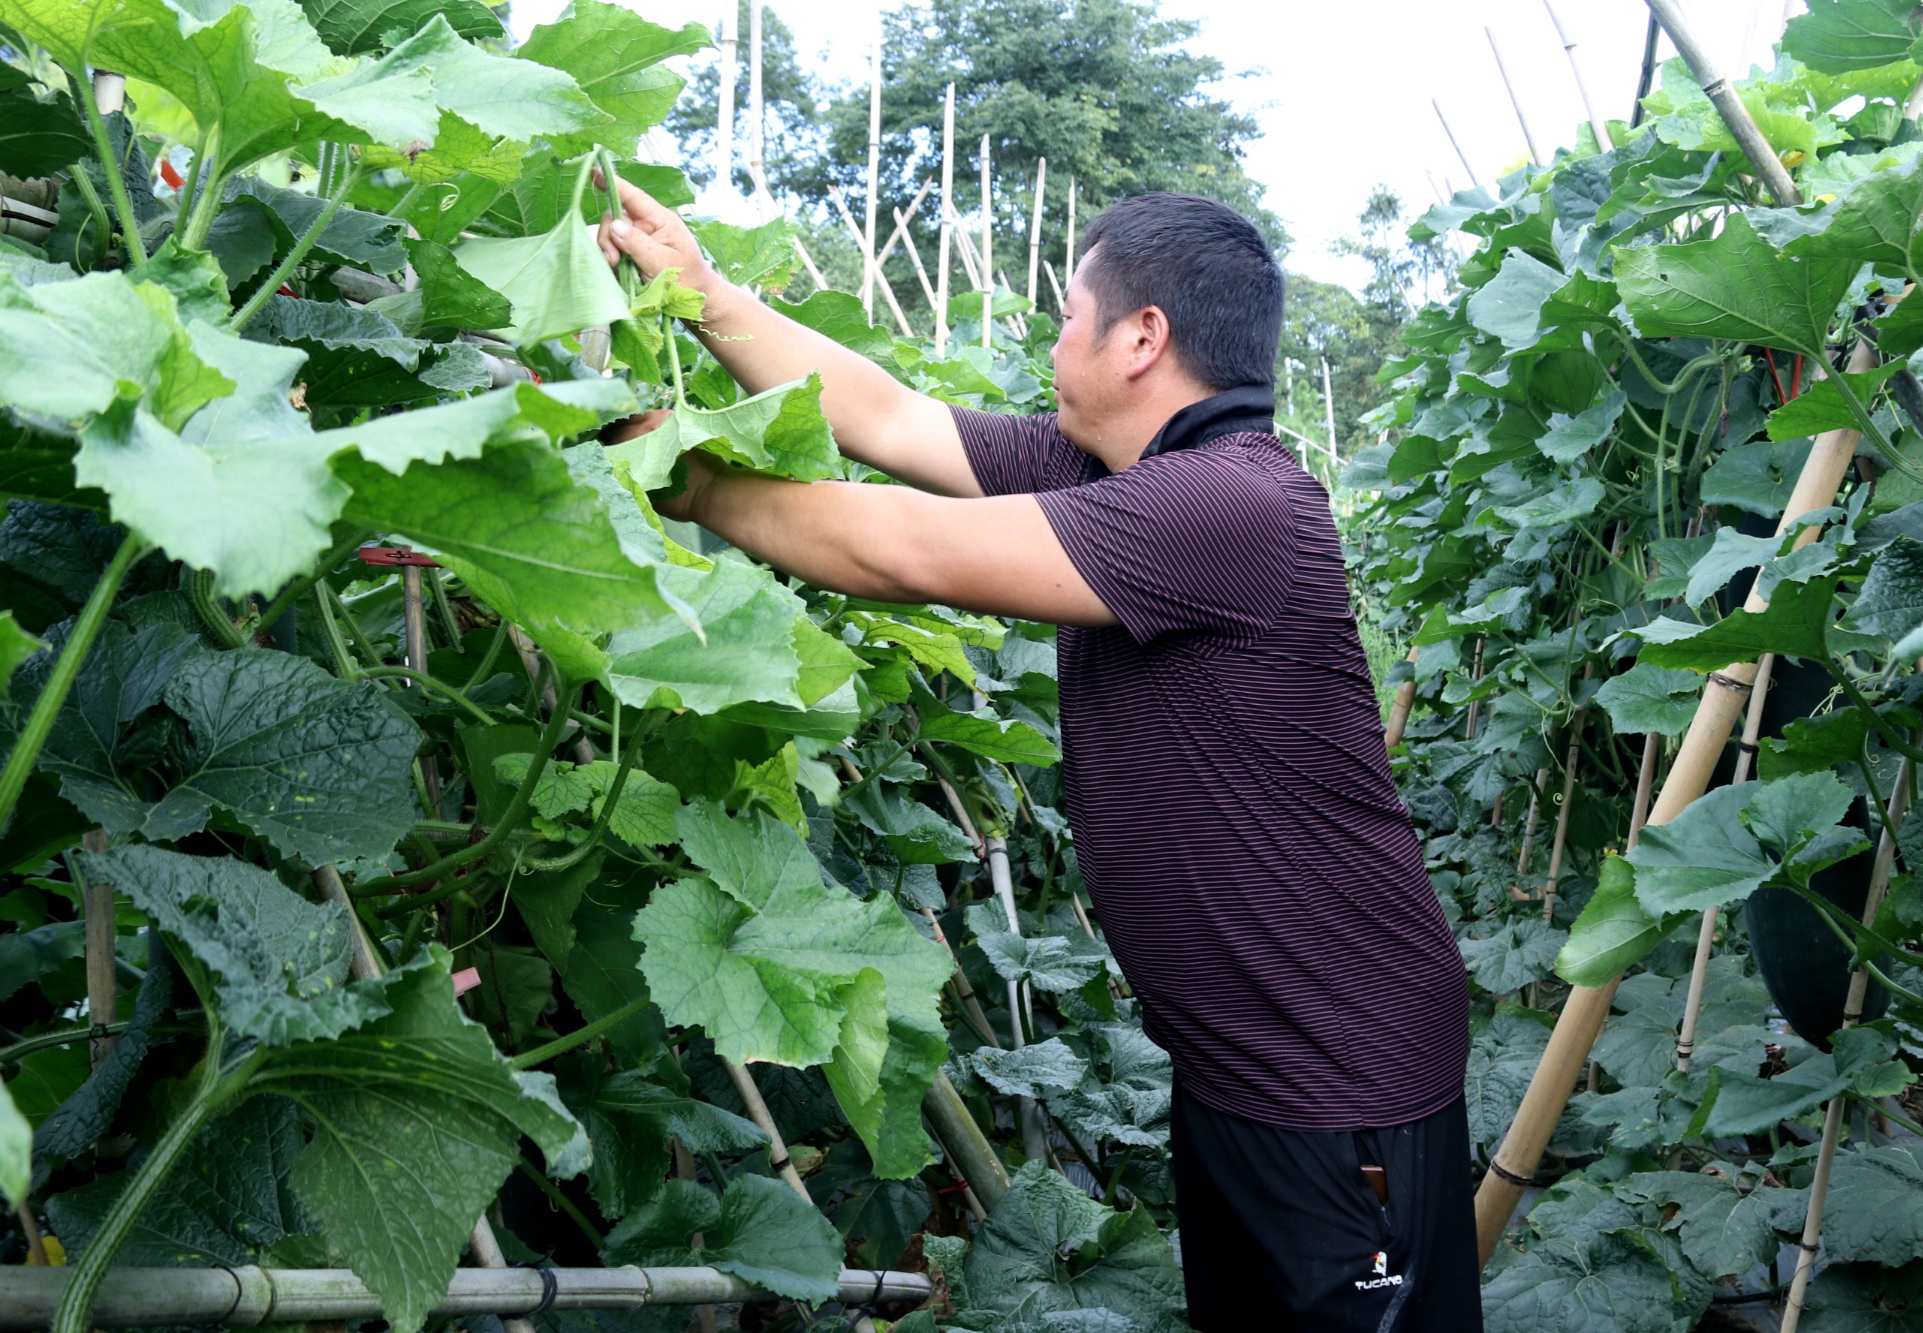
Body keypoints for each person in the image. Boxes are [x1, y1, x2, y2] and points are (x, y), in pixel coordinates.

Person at [595, 180, 1478, 1332]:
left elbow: (902, 546)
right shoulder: (1121, 478)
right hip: (1251, 1062)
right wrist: (701, 291)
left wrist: (684, 471)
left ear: (1141, 338)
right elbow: (894, 421)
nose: (1051, 339)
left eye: (1068, 312)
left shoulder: (1231, 506)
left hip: (1335, 1077)